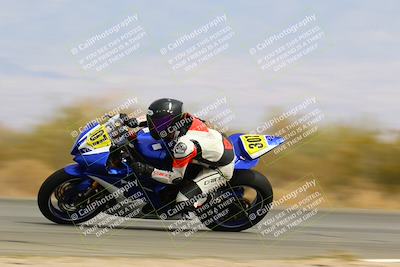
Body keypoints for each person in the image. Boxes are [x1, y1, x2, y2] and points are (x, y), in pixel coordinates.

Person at [122, 98, 235, 210]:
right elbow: (157, 121)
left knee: (182, 200)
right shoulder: (186, 119)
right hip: (216, 145)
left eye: (159, 124)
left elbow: (175, 178)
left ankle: (208, 201)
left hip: (220, 168)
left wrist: (148, 170)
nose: (154, 127)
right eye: (154, 122)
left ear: (173, 123)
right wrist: (135, 122)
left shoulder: (183, 145)